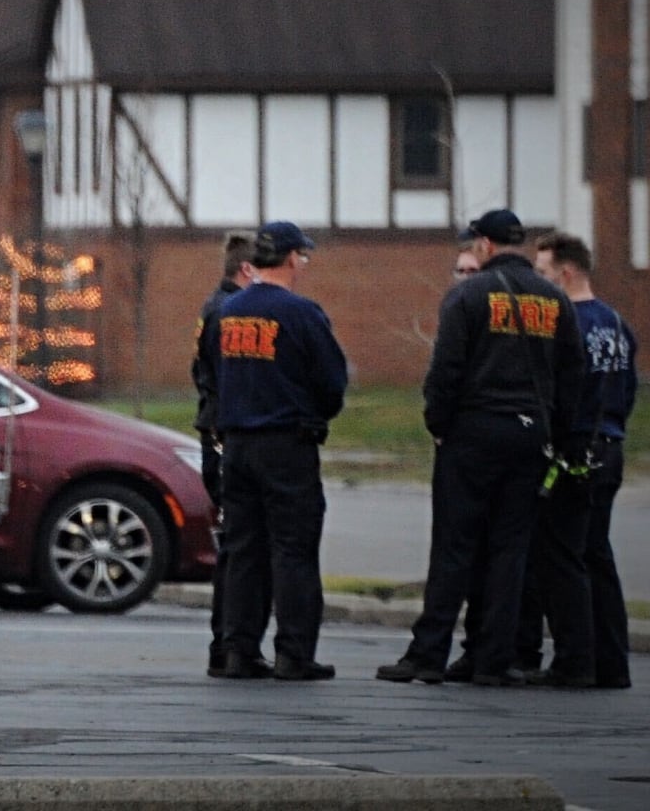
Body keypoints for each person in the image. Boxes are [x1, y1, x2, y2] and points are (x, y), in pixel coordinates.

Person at [377, 209, 585, 687]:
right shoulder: (555, 300)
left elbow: (445, 371)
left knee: (454, 547)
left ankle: (428, 653)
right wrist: (561, 434)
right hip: (532, 436)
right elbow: (572, 377)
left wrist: (439, 425)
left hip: (473, 433)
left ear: (485, 246)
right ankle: (492, 658)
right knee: (510, 550)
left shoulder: (468, 296)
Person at [202, 221, 348, 682]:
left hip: (237, 445)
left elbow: (209, 371)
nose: (303, 264)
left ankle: (239, 650)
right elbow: (331, 383)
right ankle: (294, 652)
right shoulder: (303, 314)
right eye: (302, 257)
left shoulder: (227, 311)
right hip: (287, 444)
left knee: (244, 551)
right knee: (293, 550)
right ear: (290, 259)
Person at [517, 231, 637, 689]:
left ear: (565, 273)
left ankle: (574, 659)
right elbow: (627, 391)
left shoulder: (567, 322)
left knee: (562, 557)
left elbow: (559, 389)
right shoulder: (616, 323)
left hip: (576, 452)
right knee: (597, 555)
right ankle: (612, 662)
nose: (541, 284)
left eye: (545, 274)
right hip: (610, 444)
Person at [192, 231, 258, 676]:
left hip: (215, 430)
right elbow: (216, 375)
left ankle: (230, 644)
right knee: (238, 546)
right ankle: (230, 643)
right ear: (247, 270)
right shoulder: (227, 312)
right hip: (225, 435)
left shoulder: (215, 307)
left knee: (234, 545)